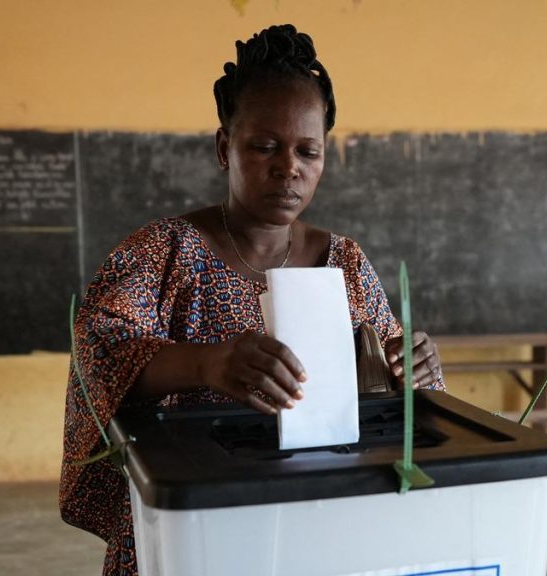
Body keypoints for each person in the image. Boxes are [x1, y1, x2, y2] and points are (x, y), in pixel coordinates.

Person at [60, 24, 445, 575]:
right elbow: (100, 353)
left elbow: (382, 377)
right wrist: (205, 362)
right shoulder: (164, 252)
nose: (289, 167)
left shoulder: (346, 261)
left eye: (308, 151)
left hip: (320, 516)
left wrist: (412, 370)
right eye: (264, 146)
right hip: (195, 519)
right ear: (225, 147)